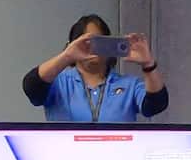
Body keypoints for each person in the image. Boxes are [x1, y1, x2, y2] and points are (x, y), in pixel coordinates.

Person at [22, 14, 168, 122]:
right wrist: (67, 56)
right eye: (86, 42)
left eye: (100, 41)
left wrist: (148, 64)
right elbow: (31, 87)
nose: (93, 48)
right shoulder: (58, 83)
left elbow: (156, 105)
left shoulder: (129, 85)